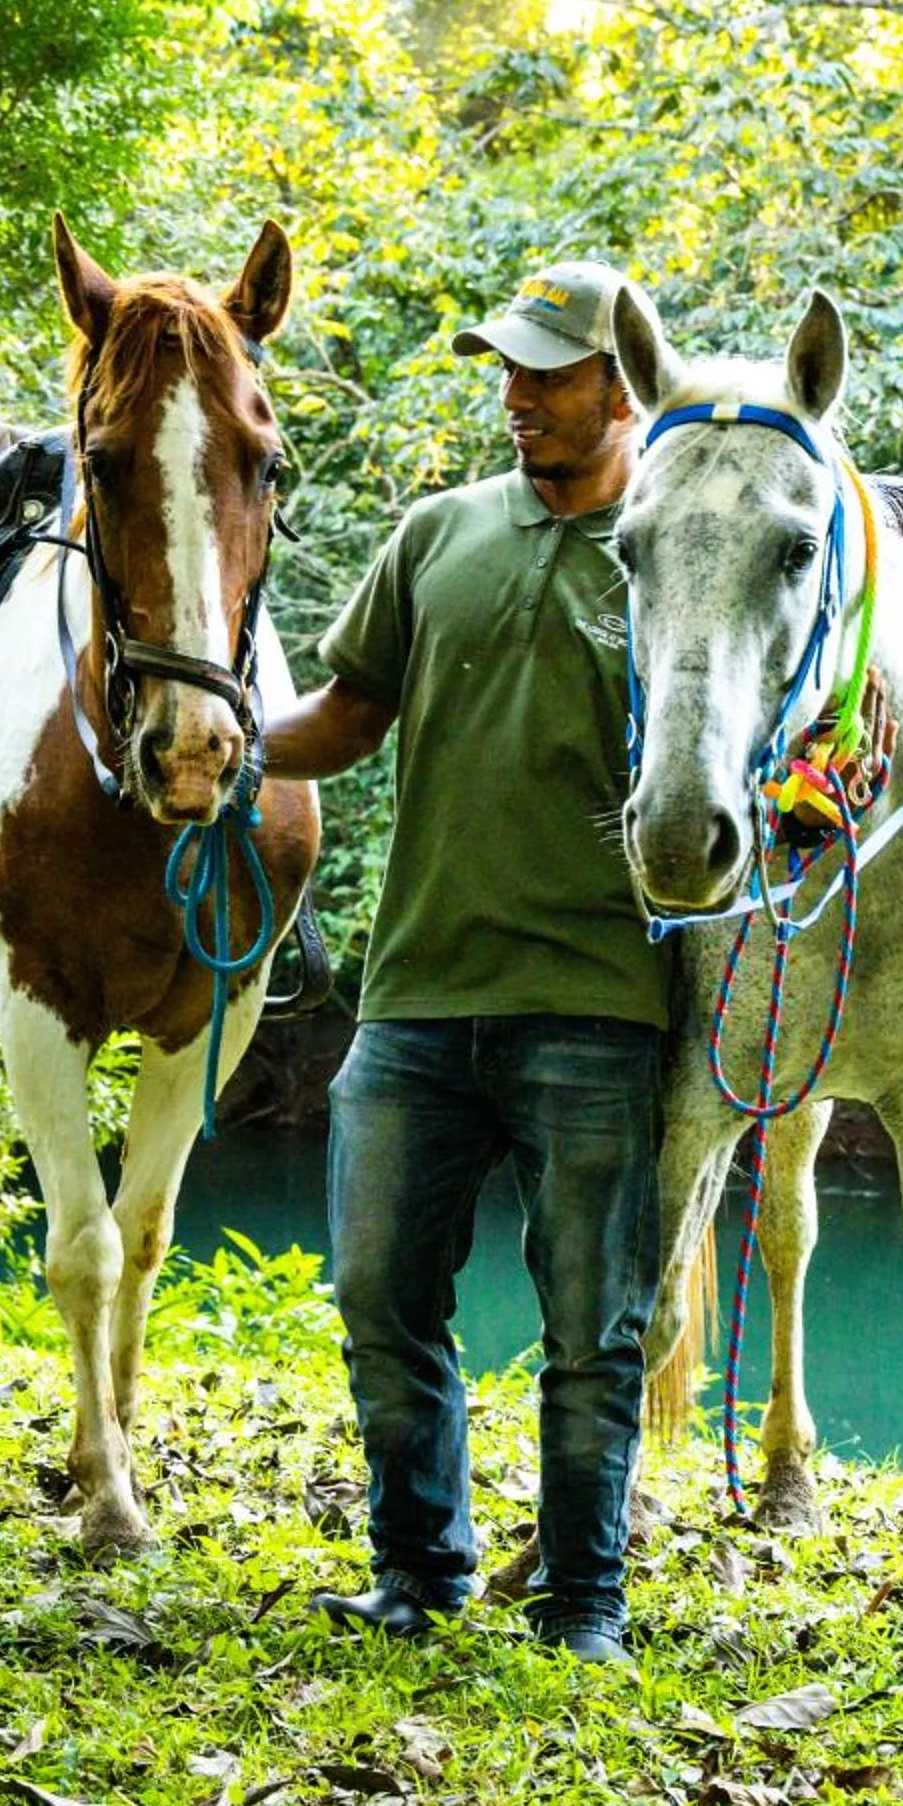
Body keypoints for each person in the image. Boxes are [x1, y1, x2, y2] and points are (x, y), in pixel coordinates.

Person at [265, 260, 667, 1664]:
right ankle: (419, 1577)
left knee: (590, 1330)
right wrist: (212, 743)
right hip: (417, 998)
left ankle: (582, 1609)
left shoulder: (674, 547)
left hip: (600, 1007)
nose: (516, 397)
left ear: (623, 388)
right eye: (507, 370)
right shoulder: (438, 533)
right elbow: (343, 717)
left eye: (548, 375)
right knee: (381, 1299)